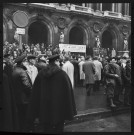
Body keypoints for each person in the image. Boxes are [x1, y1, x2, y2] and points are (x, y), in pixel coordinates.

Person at [26, 54, 77, 133]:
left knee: (46, 128)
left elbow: (35, 92)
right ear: (56, 61)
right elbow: (68, 91)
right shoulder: (62, 74)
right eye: (58, 61)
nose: (59, 63)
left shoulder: (41, 74)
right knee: (59, 128)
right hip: (59, 108)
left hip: (44, 107)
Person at [12, 55, 32, 132]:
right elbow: (27, 86)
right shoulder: (22, 72)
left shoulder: (14, 70)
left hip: (18, 98)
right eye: (25, 61)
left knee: (20, 117)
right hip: (25, 99)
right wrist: (31, 94)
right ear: (22, 62)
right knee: (25, 118)